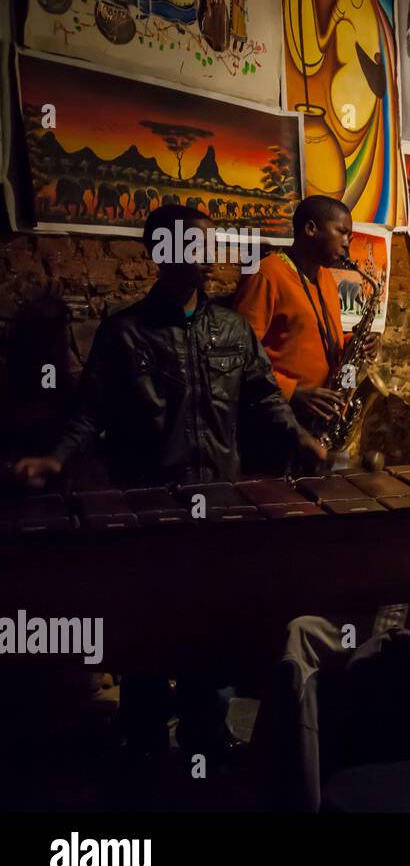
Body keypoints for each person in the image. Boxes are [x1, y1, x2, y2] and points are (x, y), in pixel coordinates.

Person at [14, 205, 326, 762]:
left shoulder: (231, 327)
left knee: (214, 636)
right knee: (150, 648)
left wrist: (297, 437)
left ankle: (208, 736)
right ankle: (146, 752)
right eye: (194, 246)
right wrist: (56, 459)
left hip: (221, 507)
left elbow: (262, 396)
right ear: (162, 254)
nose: (209, 258)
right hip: (152, 512)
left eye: (210, 245)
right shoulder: (124, 333)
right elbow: (90, 415)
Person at [232, 196, 379, 434]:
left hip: (319, 420)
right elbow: (238, 357)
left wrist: (357, 343)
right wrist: (293, 392)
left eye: (349, 238)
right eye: (341, 232)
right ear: (311, 229)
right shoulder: (267, 274)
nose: (346, 244)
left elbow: (316, 338)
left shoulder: (327, 279)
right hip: (278, 421)